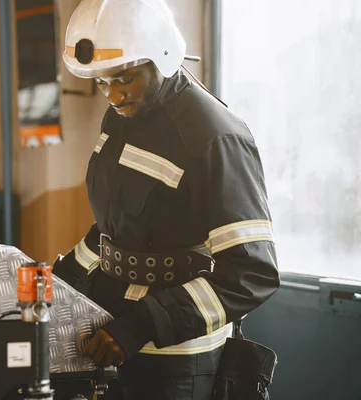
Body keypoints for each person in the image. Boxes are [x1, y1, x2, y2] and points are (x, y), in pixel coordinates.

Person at [52, 0, 281, 399]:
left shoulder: (215, 138)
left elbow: (251, 272)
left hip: (175, 361)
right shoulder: (126, 115)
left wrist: (140, 326)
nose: (113, 95)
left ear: (161, 56)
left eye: (124, 78)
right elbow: (119, 228)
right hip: (112, 339)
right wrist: (59, 281)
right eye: (102, 82)